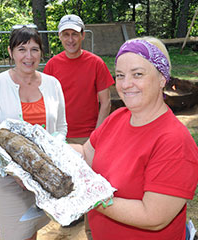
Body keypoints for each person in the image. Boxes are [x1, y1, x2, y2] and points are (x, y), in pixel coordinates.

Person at [71, 36, 198, 239]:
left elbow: (153, 216)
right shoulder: (117, 118)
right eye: (120, 75)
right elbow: (86, 153)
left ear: (162, 79)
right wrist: (49, 150)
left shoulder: (174, 142)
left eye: (137, 74)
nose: (126, 84)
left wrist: (89, 197)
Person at [0, 24, 67, 240]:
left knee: (31, 228)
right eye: (22, 49)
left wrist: (53, 154)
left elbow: (61, 128)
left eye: (34, 49)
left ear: (41, 53)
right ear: (11, 52)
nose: (29, 56)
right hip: (7, 177)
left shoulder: (52, 84)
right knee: (15, 233)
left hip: (43, 175)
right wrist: (15, 172)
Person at [43, 15, 114, 236]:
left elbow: (106, 102)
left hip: (89, 136)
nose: (71, 39)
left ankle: (91, 230)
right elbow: (46, 102)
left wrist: (97, 134)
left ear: (82, 36)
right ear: (60, 37)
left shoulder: (96, 63)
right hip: (61, 136)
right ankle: (73, 214)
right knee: (67, 180)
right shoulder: (53, 65)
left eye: (75, 34)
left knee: (90, 183)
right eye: (66, 34)